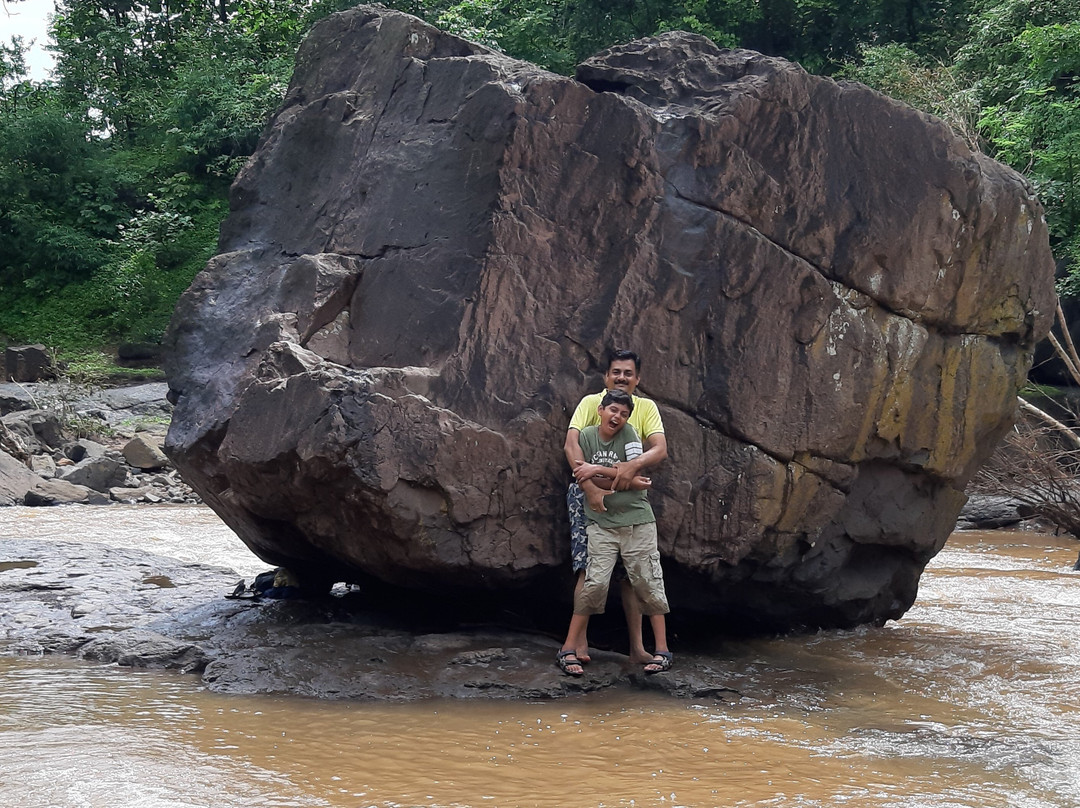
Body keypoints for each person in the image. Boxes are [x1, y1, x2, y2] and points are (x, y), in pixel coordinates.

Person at [556, 390, 672, 676]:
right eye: (613, 411)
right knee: (594, 582)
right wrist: (613, 475)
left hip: (636, 520)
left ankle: (663, 650)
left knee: (647, 580)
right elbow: (583, 473)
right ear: (600, 410)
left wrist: (597, 470)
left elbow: (636, 477)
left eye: (623, 413)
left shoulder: (631, 435)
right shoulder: (585, 437)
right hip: (601, 521)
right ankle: (567, 648)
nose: (617, 417)